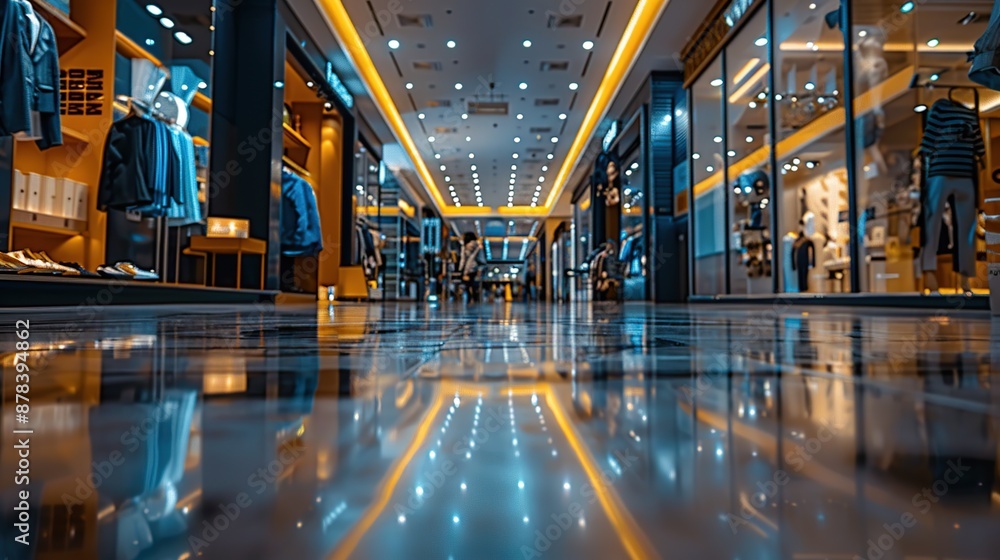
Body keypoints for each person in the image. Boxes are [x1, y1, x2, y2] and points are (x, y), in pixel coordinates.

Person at [458, 232, 482, 303]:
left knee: (467, 285)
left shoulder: (468, 246)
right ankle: (475, 300)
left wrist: (463, 270)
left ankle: (470, 300)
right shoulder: (476, 245)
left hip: (469, 267)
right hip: (474, 267)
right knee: (472, 285)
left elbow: (466, 258)